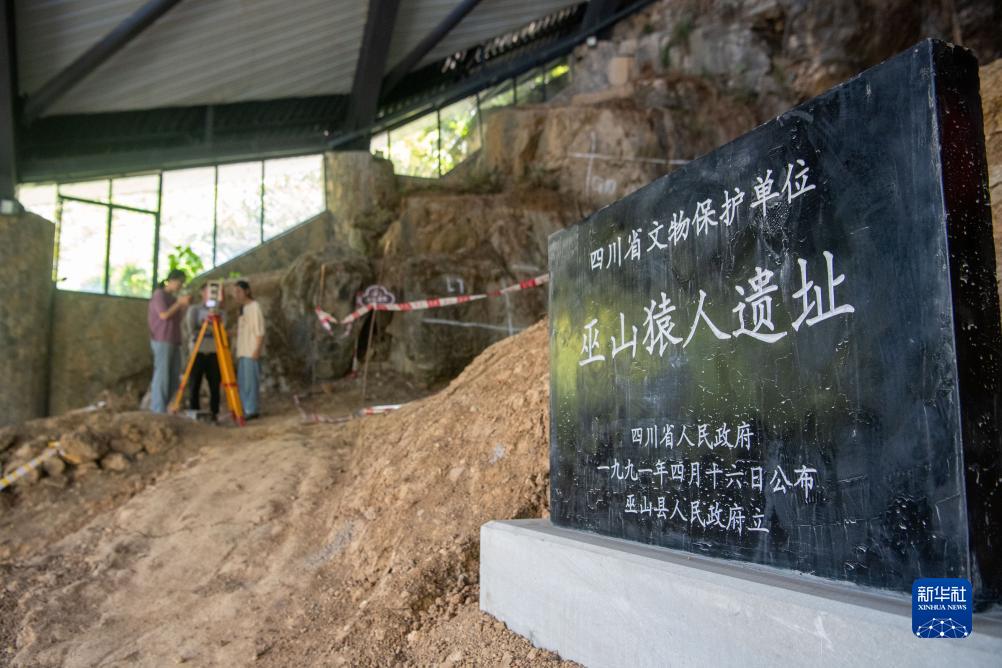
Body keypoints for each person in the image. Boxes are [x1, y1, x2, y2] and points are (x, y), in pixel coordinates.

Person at [148, 269, 191, 413]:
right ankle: (157, 409)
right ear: (171, 280)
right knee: (162, 376)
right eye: (180, 282)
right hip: (162, 339)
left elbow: (178, 318)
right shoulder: (159, 295)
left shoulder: (172, 298)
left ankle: (165, 406)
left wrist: (184, 306)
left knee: (173, 376)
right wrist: (179, 303)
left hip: (174, 339)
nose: (181, 286)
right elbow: (164, 315)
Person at [186, 283, 225, 420]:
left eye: (214, 291)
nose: (211, 294)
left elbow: (222, 330)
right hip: (197, 351)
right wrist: (208, 326)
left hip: (214, 351)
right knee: (194, 383)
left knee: (215, 384)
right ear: (202, 293)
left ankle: (214, 413)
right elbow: (192, 330)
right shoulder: (194, 310)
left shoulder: (221, 312)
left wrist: (214, 320)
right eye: (208, 291)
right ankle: (194, 412)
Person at [233, 280, 265, 419]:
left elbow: (259, 330)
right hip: (243, 351)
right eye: (235, 292)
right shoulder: (243, 309)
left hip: (251, 351)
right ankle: (246, 408)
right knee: (243, 382)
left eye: (239, 291)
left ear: (247, 291)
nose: (237, 295)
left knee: (250, 383)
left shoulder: (254, 307)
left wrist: (257, 349)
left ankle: (251, 410)